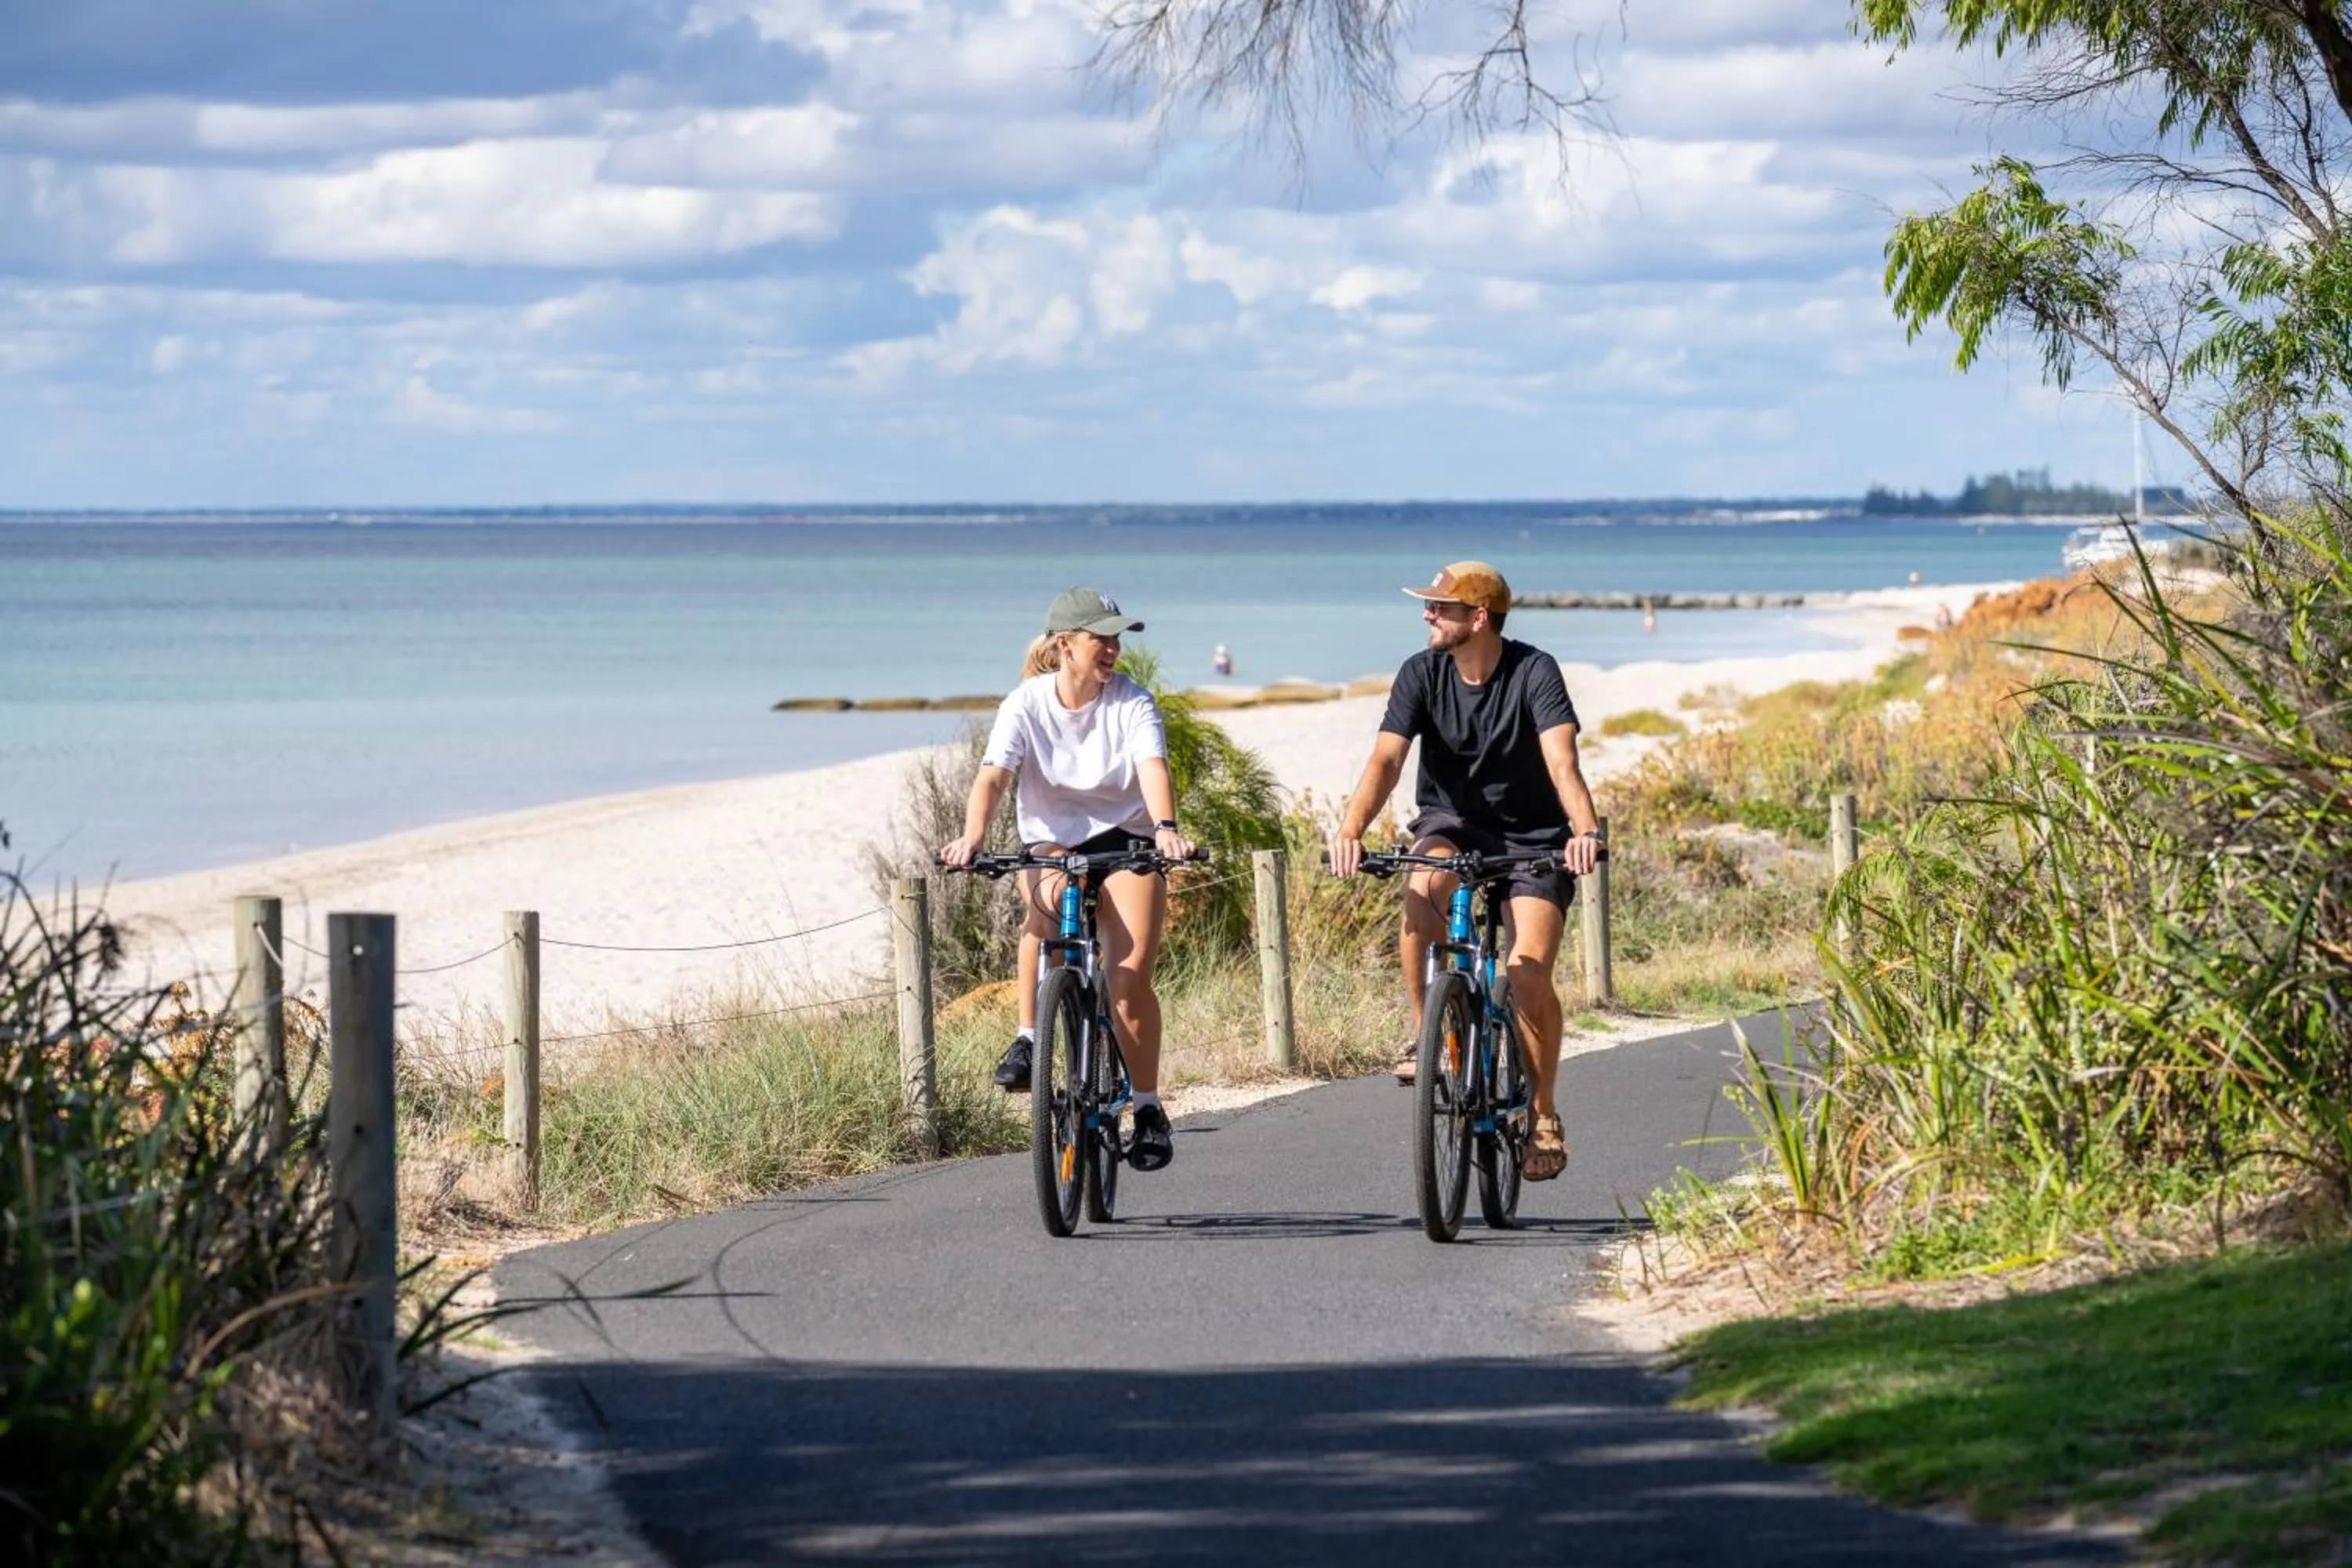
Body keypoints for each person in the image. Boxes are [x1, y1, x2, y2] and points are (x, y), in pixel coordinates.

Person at [1326, 561, 1602, 1183]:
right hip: (1450, 824)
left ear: (1478, 618)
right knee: (1422, 884)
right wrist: (1350, 831)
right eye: (1427, 605)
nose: (1427, 615)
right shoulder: (1420, 673)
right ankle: (1425, 1034)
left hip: (1532, 838)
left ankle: (1542, 1112)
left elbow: (1562, 762)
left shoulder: (1534, 671)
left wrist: (1585, 832)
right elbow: (1386, 760)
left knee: (1526, 972)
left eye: (1440, 607)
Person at [941, 587, 1196, 1171]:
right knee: (1047, 913)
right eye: (1100, 638)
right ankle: (1030, 1037)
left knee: (1128, 979)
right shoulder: (1025, 704)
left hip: (1127, 841)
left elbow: (1152, 768)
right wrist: (972, 837)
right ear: (1065, 645)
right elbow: (993, 778)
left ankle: (1148, 1108)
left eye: (1116, 639)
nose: (1112, 649)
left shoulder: (1132, 702)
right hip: (1053, 842)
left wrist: (1165, 828)